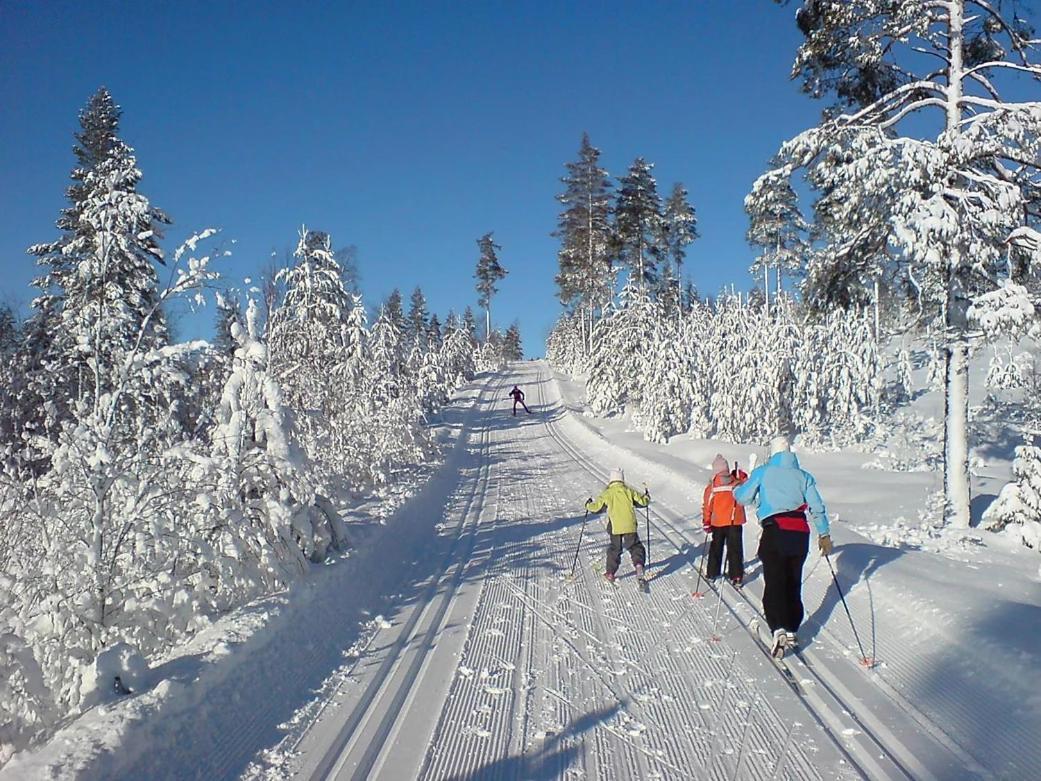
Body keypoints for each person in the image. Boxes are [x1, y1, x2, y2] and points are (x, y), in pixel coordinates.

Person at [734, 436, 832, 658]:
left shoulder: (764, 471)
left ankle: (777, 627)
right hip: (800, 533)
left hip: (775, 530)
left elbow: (742, 497)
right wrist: (824, 534)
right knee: (793, 581)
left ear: (773, 453)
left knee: (775, 581)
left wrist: (739, 490)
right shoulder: (804, 476)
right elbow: (817, 507)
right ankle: (792, 629)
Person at [585, 468, 650, 583]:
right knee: (635, 546)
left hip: (615, 526)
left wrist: (588, 505)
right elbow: (643, 502)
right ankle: (639, 565)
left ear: (611, 480)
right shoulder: (628, 491)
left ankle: (610, 573)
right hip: (629, 525)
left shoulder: (608, 493)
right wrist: (646, 497)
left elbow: (596, 508)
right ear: (622, 479)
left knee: (615, 548)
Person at [702, 454, 748, 586]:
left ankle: (712, 573)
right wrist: (742, 476)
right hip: (735, 521)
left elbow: (707, 505)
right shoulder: (736, 482)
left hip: (718, 522)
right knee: (735, 549)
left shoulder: (713, 487)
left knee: (716, 548)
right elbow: (747, 487)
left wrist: (706, 521)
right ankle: (737, 576)